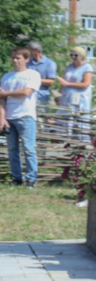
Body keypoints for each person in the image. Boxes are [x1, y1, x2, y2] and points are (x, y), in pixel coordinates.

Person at [1, 48, 41, 186]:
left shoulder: (33, 74)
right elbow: (1, 100)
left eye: (18, 58)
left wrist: (6, 93)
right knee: (12, 149)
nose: (15, 61)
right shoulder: (6, 76)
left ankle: (31, 179)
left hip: (25, 115)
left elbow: (26, 92)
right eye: (13, 58)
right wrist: (2, 118)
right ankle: (16, 178)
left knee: (28, 149)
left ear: (26, 59)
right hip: (9, 117)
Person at [55, 47, 94, 136]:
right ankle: (65, 138)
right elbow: (65, 80)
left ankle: (81, 140)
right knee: (65, 118)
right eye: (71, 55)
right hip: (67, 98)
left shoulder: (87, 67)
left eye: (76, 55)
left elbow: (86, 84)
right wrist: (62, 87)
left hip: (79, 98)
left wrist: (67, 84)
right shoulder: (69, 66)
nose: (73, 57)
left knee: (78, 119)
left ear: (82, 56)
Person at [25, 42, 56, 106]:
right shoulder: (27, 62)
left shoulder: (50, 63)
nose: (27, 53)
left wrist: (35, 80)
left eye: (29, 50)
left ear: (35, 50)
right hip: (27, 97)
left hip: (41, 99)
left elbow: (51, 82)